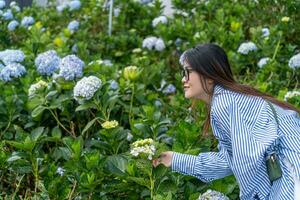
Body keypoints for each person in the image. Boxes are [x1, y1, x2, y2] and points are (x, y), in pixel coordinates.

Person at [152, 44, 300, 199]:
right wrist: (174, 159)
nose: (183, 79)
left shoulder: (225, 103)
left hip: (292, 170)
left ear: (208, 76)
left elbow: (247, 161)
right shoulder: (228, 99)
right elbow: (228, 161)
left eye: (187, 72)